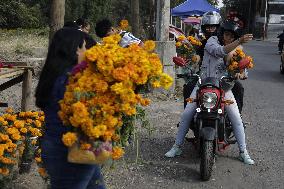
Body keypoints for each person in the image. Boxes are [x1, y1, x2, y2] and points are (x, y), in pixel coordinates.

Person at [165, 21, 255, 165]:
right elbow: (220, 51)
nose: (228, 38)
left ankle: (243, 152)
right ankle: (177, 146)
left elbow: (241, 65)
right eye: (226, 34)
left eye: (232, 36)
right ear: (221, 33)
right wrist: (238, 41)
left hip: (223, 88)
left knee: (236, 118)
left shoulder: (237, 49)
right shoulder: (211, 41)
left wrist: (242, 73)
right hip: (203, 84)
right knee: (187, 113)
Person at [35, 28, 105, 189]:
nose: (90, 54)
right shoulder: (71, 81)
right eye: (87, 48)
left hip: (60, 146)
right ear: (76, 49)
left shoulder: (56, 77)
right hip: (72, 150)